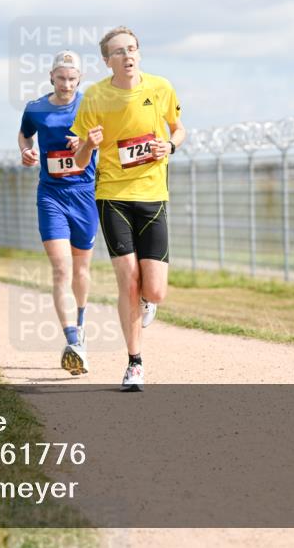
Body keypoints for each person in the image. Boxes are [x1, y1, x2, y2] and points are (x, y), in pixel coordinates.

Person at [72, 26, 185, 391]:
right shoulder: (95, 96)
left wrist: (170, 145)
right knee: (127, 278)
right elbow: (77, 158)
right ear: (107, 61)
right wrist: (88, 144)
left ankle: (148, 302)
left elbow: (178, 129)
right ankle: (134, 362)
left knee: (154, 290)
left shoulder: (160, 87)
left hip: (152, 195)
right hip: (112, 195)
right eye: (119, 51)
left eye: (132, 49)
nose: (127, 55)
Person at [19, 50, 98, 376]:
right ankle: (71, 342)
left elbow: (105, 138)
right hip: (51, 195)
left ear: (79, 79)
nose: (66, 84)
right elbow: (25, 133)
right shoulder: (35, 108)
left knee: (81, 270)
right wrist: (26, 151)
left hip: (85, 194)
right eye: (61, 78)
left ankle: (80, 326)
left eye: (72, 78)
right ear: (51, 77)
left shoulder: (91, 105)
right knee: (61, 269)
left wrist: (86, 142)